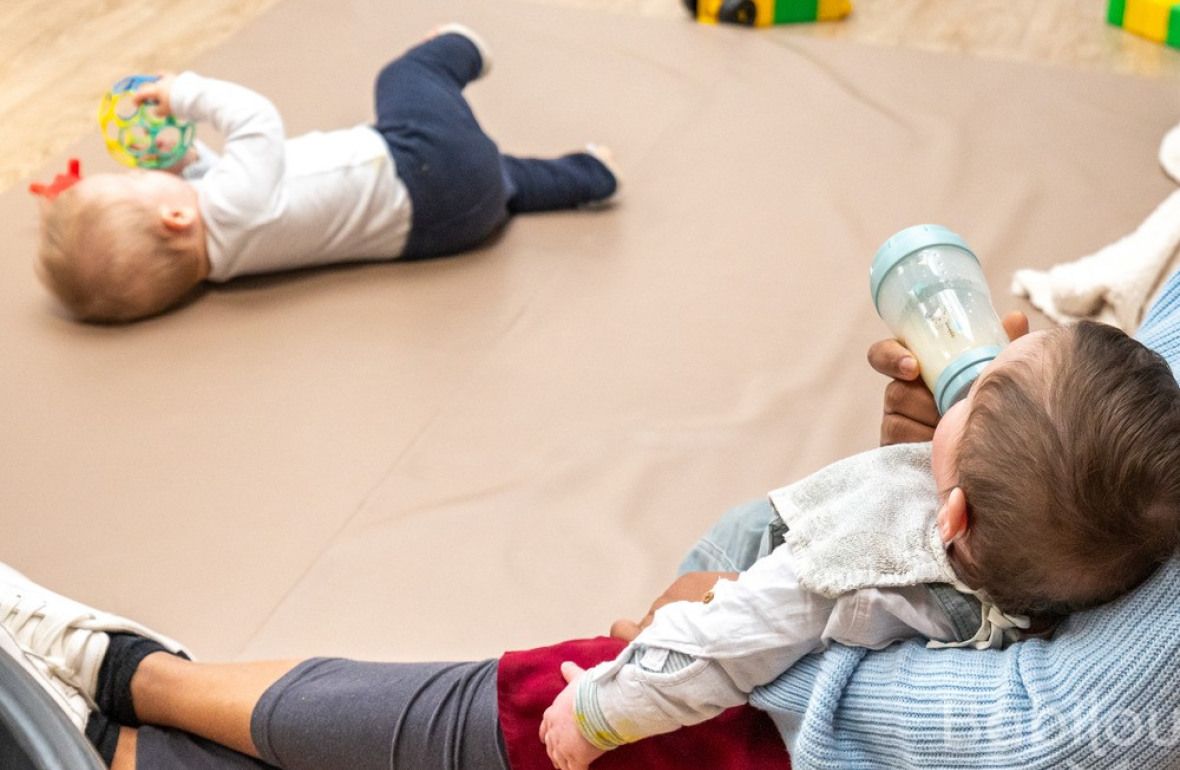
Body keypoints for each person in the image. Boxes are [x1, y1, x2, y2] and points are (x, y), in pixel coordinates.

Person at [4, 317, 1180, 770]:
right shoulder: (1080, 552)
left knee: (406, 719)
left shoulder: (862, 552)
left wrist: (605, 704)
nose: (979, 357)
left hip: (652, 724)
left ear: (954, 517)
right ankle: (113, 738)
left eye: (995, 380)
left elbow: (723, 636)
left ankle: (125, 669)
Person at [34, 25, 618, 323]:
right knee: (402, 79)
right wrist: (183, 92)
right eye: (136, 180)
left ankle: (589, 174)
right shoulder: (232, 206)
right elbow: (257, 123)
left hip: (442, 228)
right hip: (421, 164)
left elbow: (231, 187)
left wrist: (187, 161)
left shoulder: (223, 259)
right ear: (175, 215)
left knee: (503, 180)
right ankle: (462, 48)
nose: (139, 171)